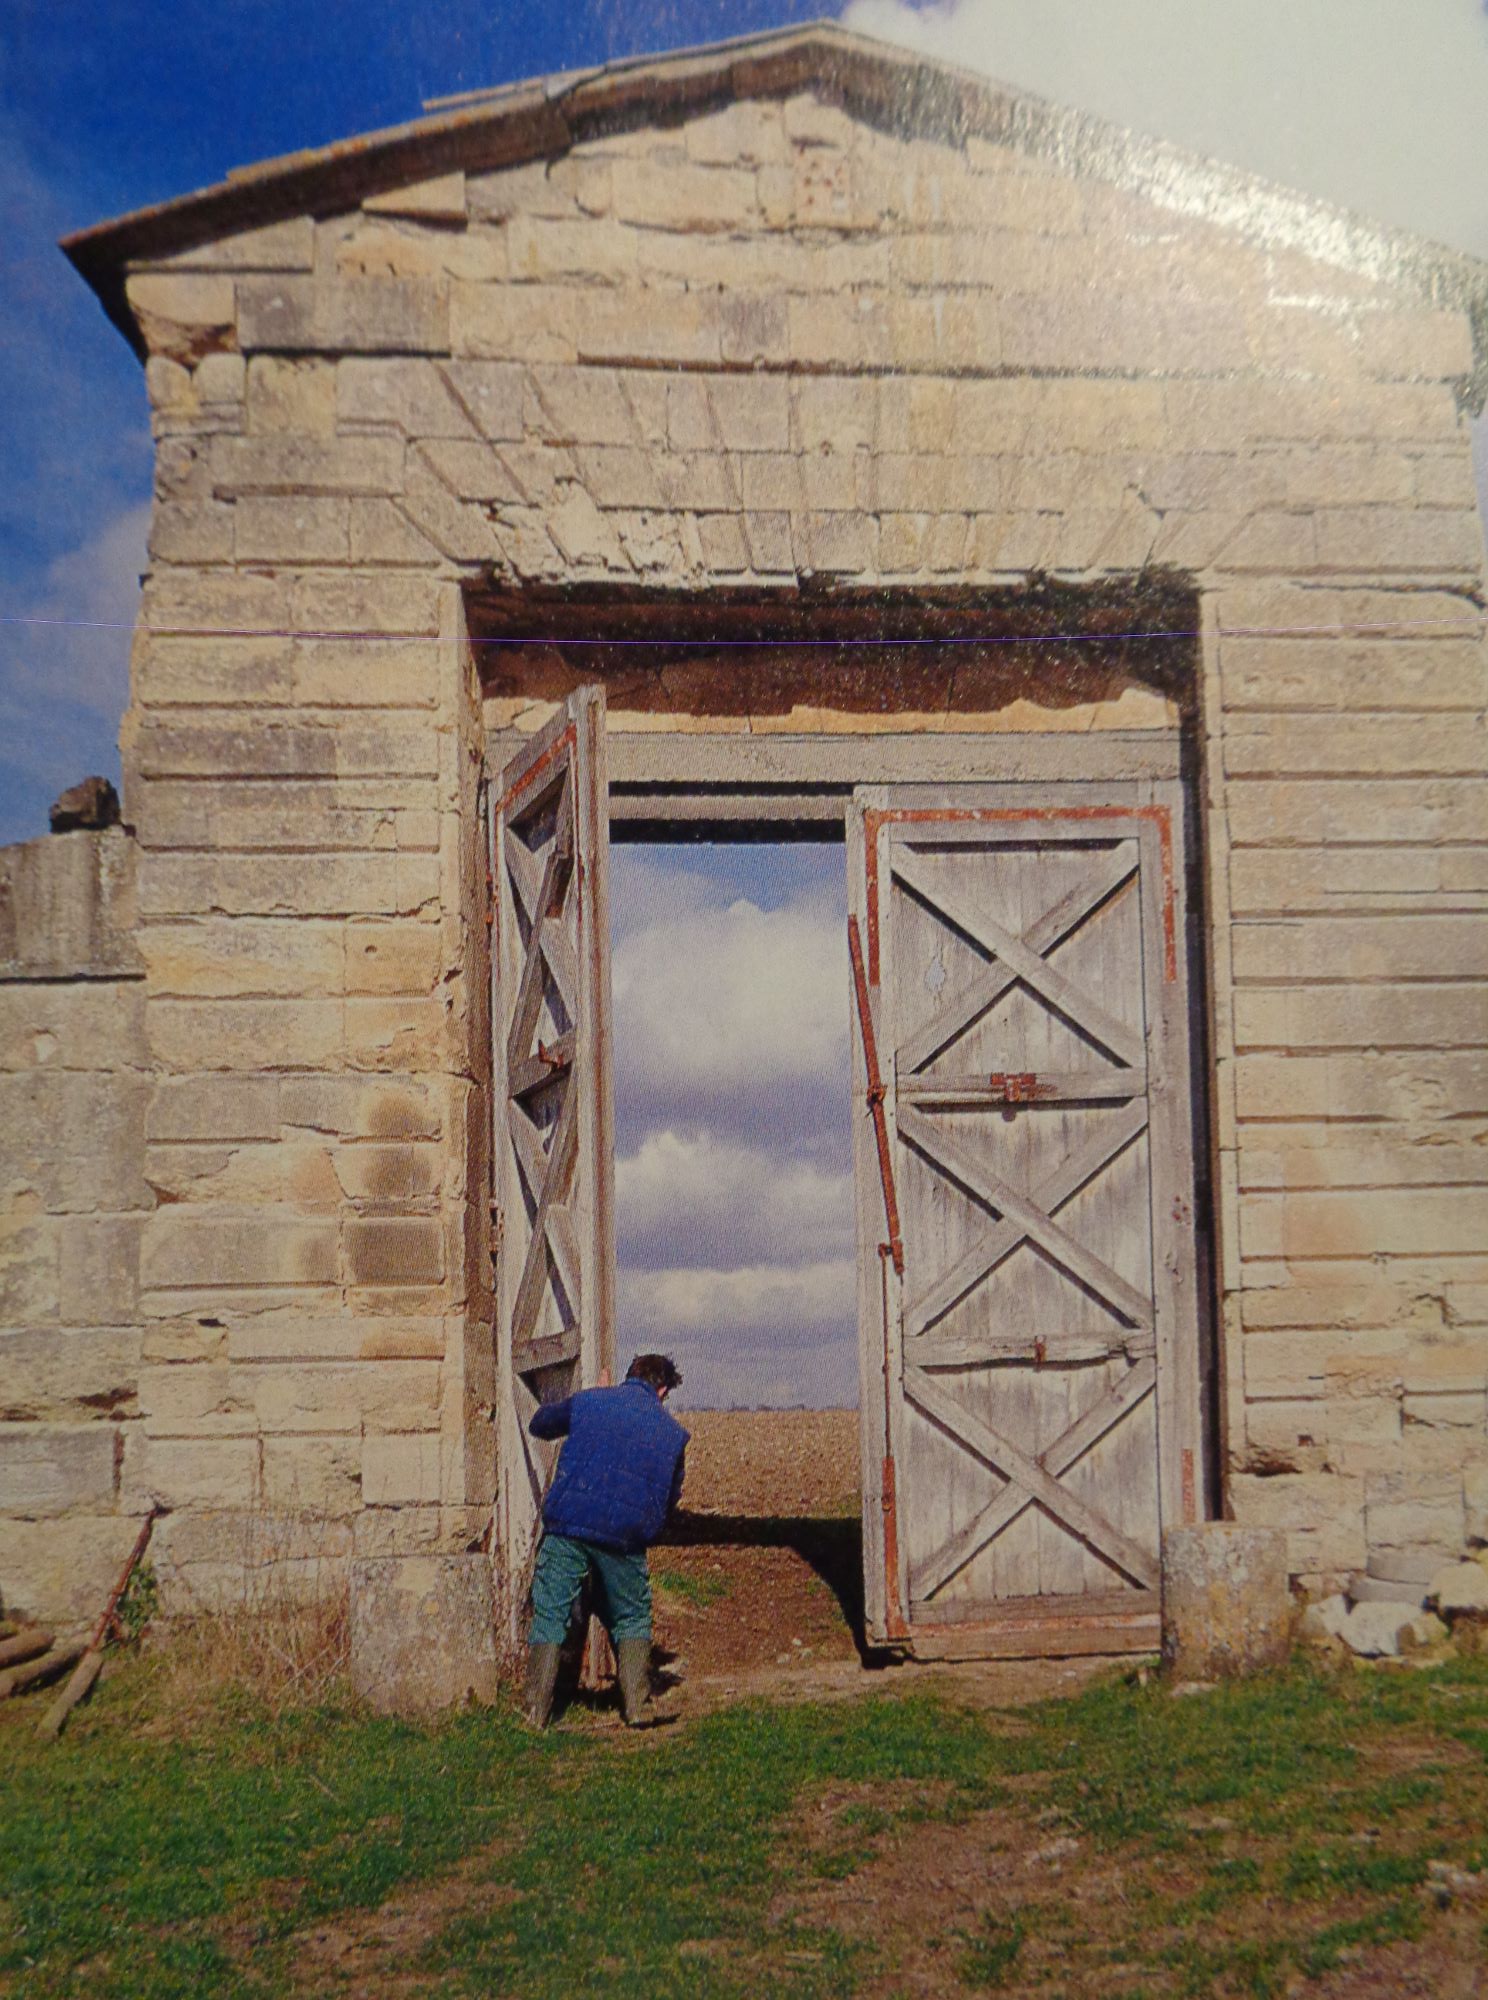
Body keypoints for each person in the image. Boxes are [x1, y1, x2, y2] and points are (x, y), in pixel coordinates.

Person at [523, 1352, 688, 1729]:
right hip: (624, 1538)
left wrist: (588, 1402)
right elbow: (670, 1500)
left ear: (627, 1376)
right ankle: (637, 1708)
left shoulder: (590, 1401)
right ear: (662, 1390)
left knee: (551, 1611)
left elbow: (540, 1424)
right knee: (631, 1614)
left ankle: (535, 1711)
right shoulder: (673, 1434)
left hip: (568, 1526)